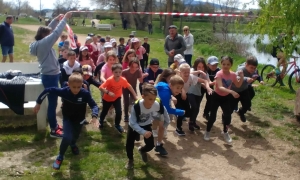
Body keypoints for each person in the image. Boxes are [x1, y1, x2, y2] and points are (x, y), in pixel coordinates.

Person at [33, 73, 99, 170]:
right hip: (68, 119)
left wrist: (94, 116)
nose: (76, 89)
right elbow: (48, 90)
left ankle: (73, 144)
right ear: (68, 85)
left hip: (80, 120)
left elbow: (94, 105)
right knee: (67, 137)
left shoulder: (85, 94)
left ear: (82, 85)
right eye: (74, 87)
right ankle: (60, 156)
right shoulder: (64, 91)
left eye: (78, 87)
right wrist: (38, 103)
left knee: (75, 136)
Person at [29, 12, 73, 138]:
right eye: (47, 35)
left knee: (53, 103)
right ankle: (54, 130)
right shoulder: (44, 44)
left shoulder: (40, 42)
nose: (50, 36)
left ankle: (54, 125)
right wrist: (64, 19)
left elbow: (50, 30)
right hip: (50, 77)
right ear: (44, 36)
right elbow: (55, 33)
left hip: (51, 75)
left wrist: (56, 19)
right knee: (53, 104)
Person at [125, 84, 170, 169]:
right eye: (150, 99)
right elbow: (133, 123)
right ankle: (130, 160)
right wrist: (143, 132)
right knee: (129, 144)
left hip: (146, 125)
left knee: (150, 145)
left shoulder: (157, 104)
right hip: (134, 126)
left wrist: (164, 125)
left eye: (154, 99)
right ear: (143, 97)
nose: (152, 102)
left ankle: (142, 150)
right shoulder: (136, 107)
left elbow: (165, 116)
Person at [204, 56, 244, 144]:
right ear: (221, 64)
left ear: (231, 65)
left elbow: (238, 85)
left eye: (228, 64)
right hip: (216, 96)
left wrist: (241, 77)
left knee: (228, 116)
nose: (225, 66)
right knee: (213, 116)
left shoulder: (233, 74)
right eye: (224, 64)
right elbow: (220, 87)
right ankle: (207, 131)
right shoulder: (219, 74)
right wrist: (232, 92)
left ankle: (225, 132)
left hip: (225, 98)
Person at [99, 63, 138, 133]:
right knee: (105, 111)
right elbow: (101, 87)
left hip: (117, 98)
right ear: (112, 72)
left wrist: (135, 95)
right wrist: (108, 92)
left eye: (120, 72)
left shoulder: (123, 80)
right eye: (116, 72)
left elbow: (129, 86)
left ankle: (117, 124)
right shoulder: (109, 80)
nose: (118, 74)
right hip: (107, 99)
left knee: (119, 111)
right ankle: (101, 120)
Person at [176, 63, 212, 134]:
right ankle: (178, 128)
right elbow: (178, 84)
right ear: (180, 73)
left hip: (184, 95)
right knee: (181, 111)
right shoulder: (178, 77)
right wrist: (182, 90)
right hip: (176, 95)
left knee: (188, 112)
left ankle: (191, 122)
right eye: (185, 72)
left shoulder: (191, 77)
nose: (187, 74)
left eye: (188, 72)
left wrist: (207, 87)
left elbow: (204, 81)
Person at [231, 56, 264, 122]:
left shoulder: (254, 71)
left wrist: (260, 80)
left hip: (244, 89)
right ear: (246, 65)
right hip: (235, 90)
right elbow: (237, 77)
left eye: (254, 68)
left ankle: (241, 112)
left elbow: (257, 76)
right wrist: (246, 79)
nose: (253, 70)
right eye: (251, 67)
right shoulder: (241, 70)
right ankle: (225, 118)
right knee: (230, 107)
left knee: (248, 104)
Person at [156, 70, 185, 136]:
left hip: (155, 103)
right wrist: (181, 112)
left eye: (181, 88)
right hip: (150, 104)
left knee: (166, 117)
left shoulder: (167, 89)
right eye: (177, 88)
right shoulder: (166, 92)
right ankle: (156, 130)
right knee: (161, 117)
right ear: (171, 85)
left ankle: (160, 129)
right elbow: (166, 109)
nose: (179, 91)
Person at [188, 57, 210, 130]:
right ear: (195, 66)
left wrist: (209, 87)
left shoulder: (205, 73)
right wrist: (199, 72)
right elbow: (188, 73)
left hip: (198, 92)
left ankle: (193, 121)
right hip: (190, 91)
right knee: (194, 106)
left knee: (197, 108)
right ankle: (190, 122)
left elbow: (208, 81)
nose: (201, 68)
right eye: (199, 67)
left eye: (203, 67)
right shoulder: (192, 70)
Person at [122, 58, 143, 122]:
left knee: (135, 101)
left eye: (136, 67)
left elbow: (141, 80)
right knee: (126, 102)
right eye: (132, 67)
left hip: (133, 88)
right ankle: (126, 115)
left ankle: (135, 114)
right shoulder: (124, 72)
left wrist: (143, 77)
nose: (134, 69)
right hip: (125, 88)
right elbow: (122, 81)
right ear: (129, 65)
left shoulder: (138, 71)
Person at [203, 56, 220, 121]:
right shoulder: (205, 69)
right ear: (208, 64)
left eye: (216, 65)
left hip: (210, 87)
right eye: (212, 65)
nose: (214, 66)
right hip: (202, 85)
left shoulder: (218, 70)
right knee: (198, 101)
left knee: (210, 100)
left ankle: (206, 113)